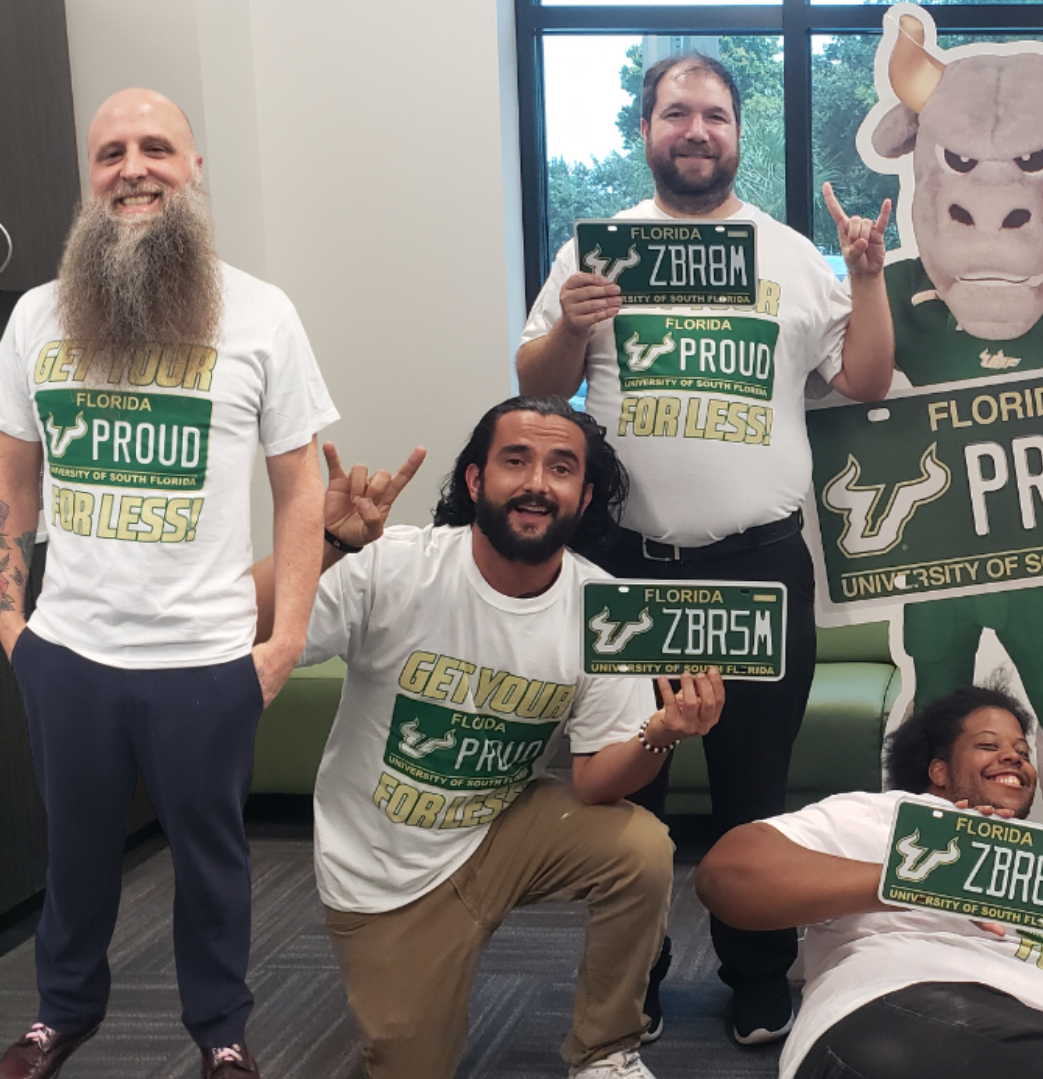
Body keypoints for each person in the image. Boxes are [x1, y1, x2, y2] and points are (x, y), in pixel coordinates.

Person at [515, 52, 894, 1044]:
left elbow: (862, 380)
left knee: (749, 785)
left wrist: (864, 273)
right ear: (644, 131)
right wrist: (568, 321)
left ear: (736, 133)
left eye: (714, 116)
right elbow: (540, 381)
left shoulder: (790, 257)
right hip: (627, 564)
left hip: (758, 563)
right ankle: (631, 975)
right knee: (623, 782)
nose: (695, 130)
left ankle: (757, 973)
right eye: (675, 113)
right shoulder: (597, 252)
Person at [0, 88, 337, 1079]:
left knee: (213, 862)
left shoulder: (261, 313)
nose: (133, 167)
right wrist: (10, 614)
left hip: (205, 654)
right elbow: (13, 482)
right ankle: (60, 1013)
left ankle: (220, 1030)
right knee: (76, 855)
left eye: (156, 147)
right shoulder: (34, 318)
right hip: (69, 651)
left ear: (194, 169)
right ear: (90, 176)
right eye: (111, 152)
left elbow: (301, 495)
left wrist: (282, 643)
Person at [253, 396, 722, 1079]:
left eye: (560, 467)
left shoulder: (603, 608)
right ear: (476, 481)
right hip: (385, 871)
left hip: (500, 830)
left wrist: (662, 732)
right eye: (515, 460)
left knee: (640, 846)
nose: (537, 481)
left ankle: (604, 1049)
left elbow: (594, 780)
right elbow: (236, 627)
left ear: (583, 497)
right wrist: (324, 545)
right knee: (412, 1062)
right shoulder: (392, 563)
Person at [695, 683, 1043, 1079]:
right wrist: (928, 882)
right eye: (989, 745)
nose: (1014, 756)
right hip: (907, 1011)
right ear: (938, 771)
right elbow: (728, 874)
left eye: (1022, 752)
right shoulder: (887, 816)